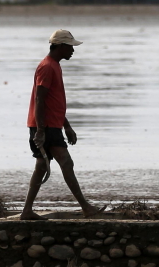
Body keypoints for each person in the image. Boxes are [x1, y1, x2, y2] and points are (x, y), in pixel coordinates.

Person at [20, 28, 102, 219]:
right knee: (66, 162)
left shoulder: (55, 65)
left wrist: (66, 125)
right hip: (46, 126)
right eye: (70, 47)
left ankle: (27, 211)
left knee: (42, 166)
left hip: (50, 125)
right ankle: (86, 207)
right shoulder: (47, 67)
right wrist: (41, 130)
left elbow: (53, 102)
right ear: (60, 46)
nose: (73, 50)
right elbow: (40, 99)